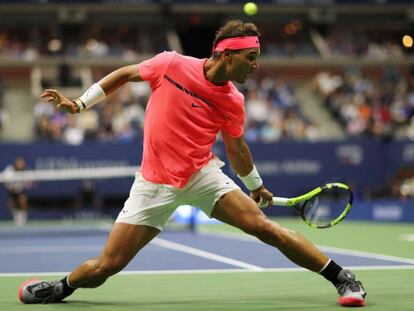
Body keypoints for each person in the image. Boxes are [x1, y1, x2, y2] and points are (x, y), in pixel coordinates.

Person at [18, 20, 366, 307]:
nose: (256, 65)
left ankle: (341, 277)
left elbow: (237, 147)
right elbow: (125, 73)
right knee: (107, 266)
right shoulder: (171, 64)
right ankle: (61, 287)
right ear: (226, 55)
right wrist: (80, 104)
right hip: (154, 183)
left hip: (202, 175)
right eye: (250, 56)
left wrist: (255, 185)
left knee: (264, 227)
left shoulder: (233, 100)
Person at [4, 156, 31, 226]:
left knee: (22, 199)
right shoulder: (9, 170)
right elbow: (5, 180)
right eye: (19, 163)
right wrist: (11, 187)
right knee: (11, 203)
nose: (20, 164)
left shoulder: (26, 170)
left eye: (22, 163)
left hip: (21, 190)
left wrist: (28, 184)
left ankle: (23, 216)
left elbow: (30, 183)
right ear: (16, 163)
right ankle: (16, 216)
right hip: (11, 190)